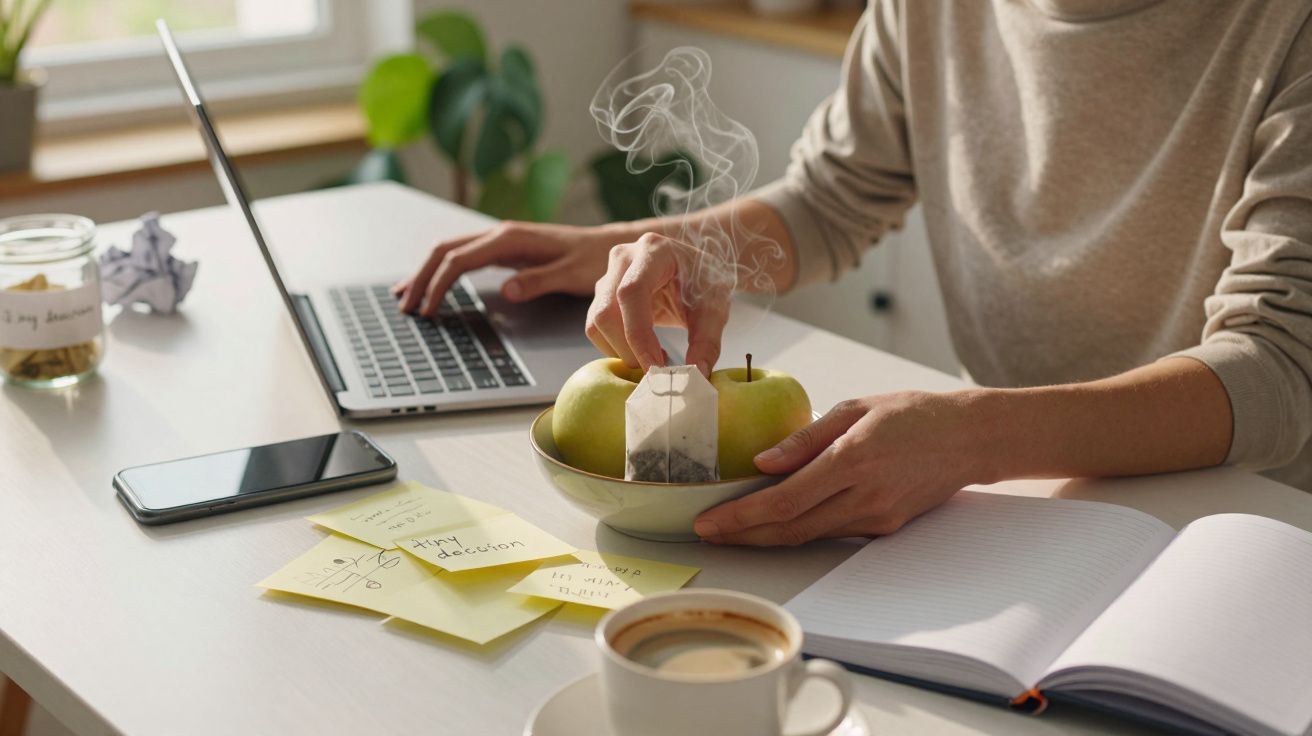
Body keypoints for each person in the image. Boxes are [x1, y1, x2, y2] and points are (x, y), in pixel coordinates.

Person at [397, 1, 1312, 546]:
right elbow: (835, 197)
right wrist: (644, 244)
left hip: (1242, 520)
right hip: (1000, 503)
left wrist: (975, 436)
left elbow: (1279, 367)